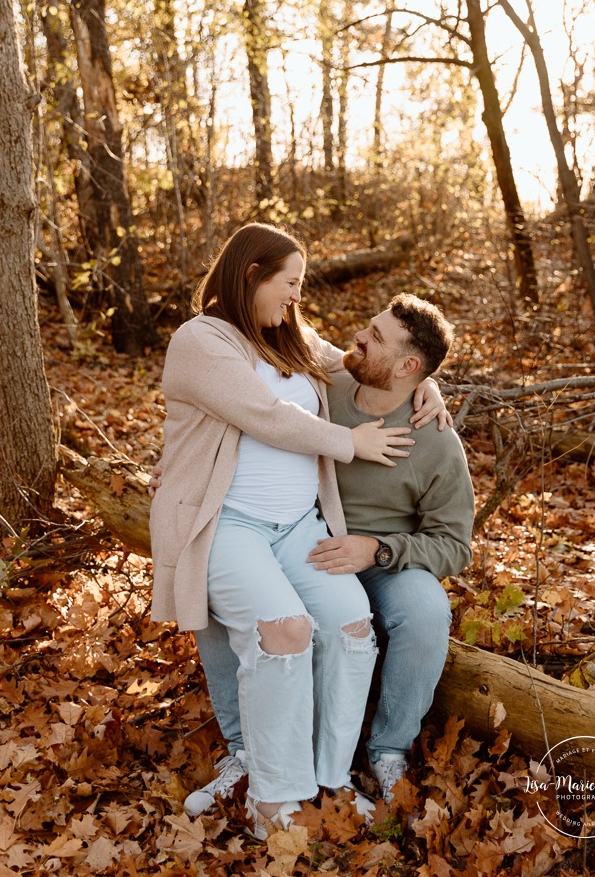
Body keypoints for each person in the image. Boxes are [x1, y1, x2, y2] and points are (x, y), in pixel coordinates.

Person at [149, 223, 449, 839]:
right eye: (289, 284)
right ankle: (274, 802)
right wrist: (350, 442)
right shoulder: (201, 340)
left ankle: (328, 781)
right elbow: (265, 416)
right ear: (252, 275)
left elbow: (363, 362)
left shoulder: (290, 335)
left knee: (349, 626)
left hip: (296, 528)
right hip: (226, 525)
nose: (295, 298)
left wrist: (424, 380)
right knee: (283, 632)